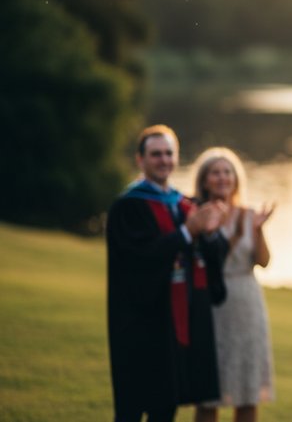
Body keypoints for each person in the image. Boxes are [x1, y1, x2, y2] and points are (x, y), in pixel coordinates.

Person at [106, 125, 230, 422]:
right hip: (138, 320)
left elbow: (216, 255)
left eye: (169, 153)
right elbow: (140, 258)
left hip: (174, 322)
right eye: (155, 154)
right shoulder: (128, 206)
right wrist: (189, 231)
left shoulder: (182, 203)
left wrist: (210, 234)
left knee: (166, 406)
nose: (163, 160)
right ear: (140, 160)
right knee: (132, 405)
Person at [191, 148, 276, 422]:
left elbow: (263, 262)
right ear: (204, 180)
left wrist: (259, 230)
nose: (222, 178)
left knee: (247, 392)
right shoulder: (196, 215)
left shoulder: (250, 216)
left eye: (227, 172)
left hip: (246, 304)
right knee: (207, 395)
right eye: (215, 172)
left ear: (236, 179)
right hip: (210, 303)